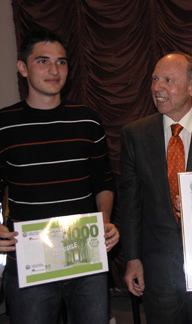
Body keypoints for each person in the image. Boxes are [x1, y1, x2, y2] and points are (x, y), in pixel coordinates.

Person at [0, 29, 119, 324]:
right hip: (29, 262)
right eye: (43, 61)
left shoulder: (88, 120)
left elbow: (103, 182)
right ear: (23, 68)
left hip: (86, 259)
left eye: (62, 62)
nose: (54, 70)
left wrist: (105, 222)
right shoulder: (3, 125)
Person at [119, 52, 192, 323]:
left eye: (168, 80)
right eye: (155, 79)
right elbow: (130, 204)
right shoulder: (135, 135)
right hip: (158, 269)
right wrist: (132, 259)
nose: (157, 87)